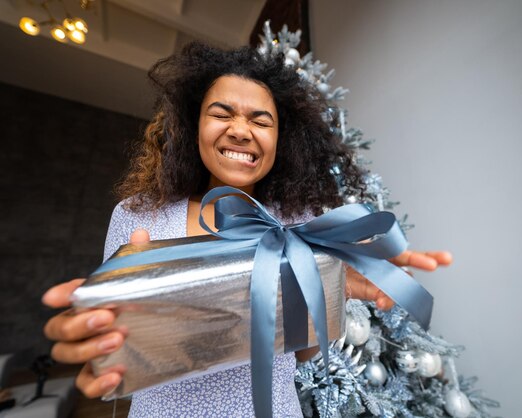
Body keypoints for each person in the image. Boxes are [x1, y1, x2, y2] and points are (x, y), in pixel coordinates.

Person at [42, 43, 452, 417]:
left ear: (281, 140)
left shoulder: (300, 223)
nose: (240, 130)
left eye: (261, 120)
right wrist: (101, 339)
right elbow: (115, 350)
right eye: (221, 114)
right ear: (192, 125)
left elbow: (302, 351)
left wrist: (331, 287)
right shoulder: (137, 216)